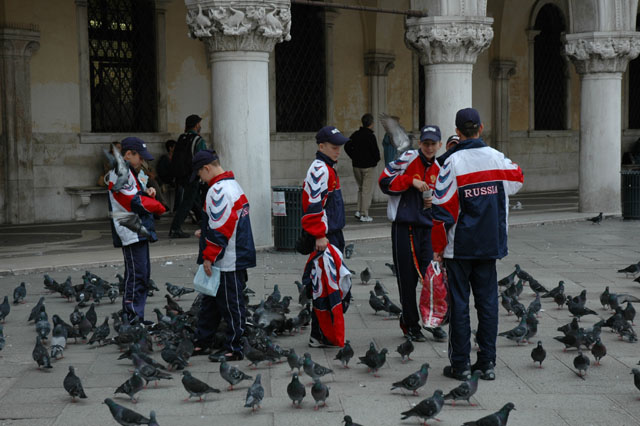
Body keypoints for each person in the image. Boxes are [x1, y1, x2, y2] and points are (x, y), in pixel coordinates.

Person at [432, 108, 524, 381]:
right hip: (490, 245)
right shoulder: (497, 158)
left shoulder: (452, 163)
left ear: (458, 132)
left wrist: (437, 248)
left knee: (459, 305)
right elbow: (518, 177)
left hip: (459, 247)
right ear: (481, 128)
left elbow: (441, 211)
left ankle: (460, 365)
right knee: (487, 303)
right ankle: (486, 364)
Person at [379, 125, 447, 343]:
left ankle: (433, 321)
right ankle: (410, 324)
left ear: (439, 145)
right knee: (407, 280)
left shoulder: (440, 167)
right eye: (425, 143)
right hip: (404, 228)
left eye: (433, 144)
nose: (429, 147)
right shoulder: (407, 158)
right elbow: (384, 182)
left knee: (432, 279)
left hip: (428, 229)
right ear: (420, 144)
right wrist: (411, 181)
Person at [190, 150, 256, 362]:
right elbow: (227, 221)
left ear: (206, 168)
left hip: (227, 259)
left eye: (200, 174)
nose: (200, 178)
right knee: (210, 302)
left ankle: (234, 347)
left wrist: (209, 256)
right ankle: (203, 341)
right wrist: (206, 231)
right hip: (232, 254)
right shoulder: (232, 185)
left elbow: (221, 228)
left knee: (230, 305)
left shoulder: (218, 190)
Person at [107, 137, 166, 323]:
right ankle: (132, 317)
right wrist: (158, 206)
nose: (142, 161)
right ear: (128, 154)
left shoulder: (131, 171)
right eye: (140, 157)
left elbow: (135, 195)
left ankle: (136, 316)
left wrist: (147, 192)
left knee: (142, 275)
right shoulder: (119, 173)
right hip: (130, 229)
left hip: (138, 229)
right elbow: (131, 201)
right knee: (136, 275)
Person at [302, 125, 350, 348]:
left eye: (339, 146)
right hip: (326, 237)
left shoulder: (326, 167)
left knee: (330, 286)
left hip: (331, 235)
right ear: (321, 146)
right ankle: (319, 334)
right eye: (333, 146)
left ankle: (321, 333)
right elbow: (312, 204)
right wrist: (320, 235)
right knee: (325, 287)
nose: (338, 150)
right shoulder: (320, 169)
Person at [169, 114, 208, 238]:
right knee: (187, 202)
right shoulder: (198, 140)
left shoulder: (182, 138)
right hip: (192, 175)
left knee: (194, 200)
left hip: (181, 175)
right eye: (199, 124)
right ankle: (175, 228)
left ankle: (203, 222)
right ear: (197, 125)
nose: (200, 126)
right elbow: (203, 158)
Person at [344, 113, 381, 222]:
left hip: (356, 166)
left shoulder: (356, 134)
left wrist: (353, 156)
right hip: (368, 167)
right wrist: (374, 161)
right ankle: (364, 214)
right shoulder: (371, 136)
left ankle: (359, 211)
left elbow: (347, 146)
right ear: (371, 124)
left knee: (361, 189)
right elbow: (376, 152)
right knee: (366, 191)